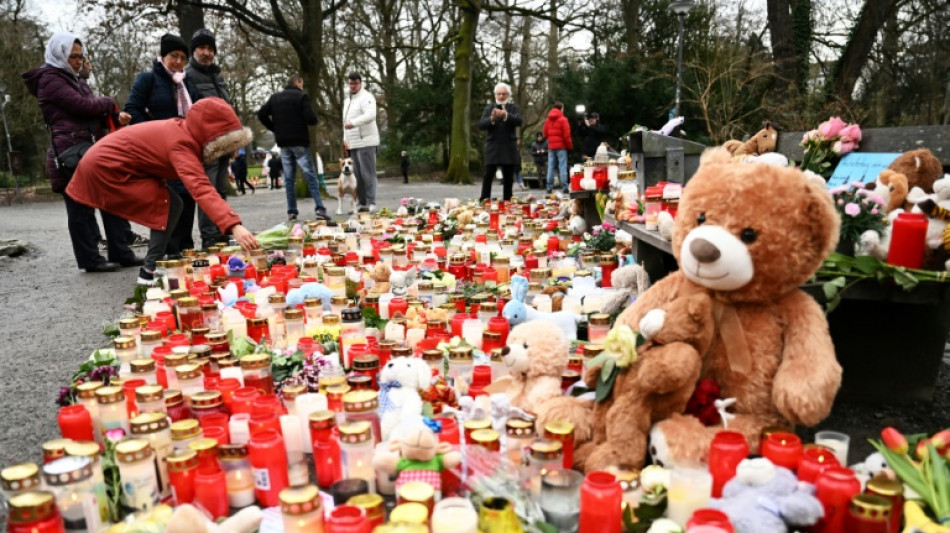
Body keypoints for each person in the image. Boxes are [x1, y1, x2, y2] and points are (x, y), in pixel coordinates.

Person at [66, 98, 260, 285]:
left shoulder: (182, 132)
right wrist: (234, 225)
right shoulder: (181, 144)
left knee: (172, 204)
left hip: (110, 164)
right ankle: (149, 272)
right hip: (107, 167)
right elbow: (201, 188)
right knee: (168, 205)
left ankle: (153, 265)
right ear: (210, 134)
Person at [22, 31, 139, 273]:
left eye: (80, 56)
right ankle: (90, 259)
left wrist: (114, 116)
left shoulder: (74, 79)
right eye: (73, 56)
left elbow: (91, 112)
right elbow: (82, 106)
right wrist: (108, 102)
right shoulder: (50, 80)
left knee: (110, 197)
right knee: (79, 208)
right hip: (69, 153)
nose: (77, 61)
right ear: (59, 54)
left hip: (88, 149)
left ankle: (121, 251)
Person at [125, 34, 199, 256]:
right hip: (159, 148)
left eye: (182, 58)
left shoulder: (187, 83)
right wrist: (152, 133)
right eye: (173, 56)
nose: (178, 62)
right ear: (163, 56)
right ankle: (167, 251)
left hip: (185, 147)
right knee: (168, 198)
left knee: (188, 195)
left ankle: (186, 248)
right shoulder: (147, 79)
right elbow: (132, 109)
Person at [257, 74, 329, 221]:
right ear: (298, 82)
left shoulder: (275, 98)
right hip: (299, 141)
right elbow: (311, 119)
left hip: (283, 142)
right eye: (301, 84)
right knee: (310, 176)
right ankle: (320, 209)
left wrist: (275, 128)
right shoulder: (301, 97)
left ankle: (292, 211)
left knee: (289, 178)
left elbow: (261, 113)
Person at [186, 28, 231, 248]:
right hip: (206, 144)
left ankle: (222, 229)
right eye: (202, 48)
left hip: (225, 143)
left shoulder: (218, 76)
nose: (207, 52)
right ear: (193, 51)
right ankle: (209, 236)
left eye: (210, 48)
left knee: (221, 190)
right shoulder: (188, 76)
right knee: (208, 191)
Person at [477, 82, 522, 202]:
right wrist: (492, 118)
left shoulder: (513, 108)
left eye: (504, 94)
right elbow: (481, 124)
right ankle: (484, 200)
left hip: (508, 147)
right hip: (493, 147)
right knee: (488, 176)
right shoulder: (489, 108)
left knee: (508, 178)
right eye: (499, 94)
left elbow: (519, 121)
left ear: (508, 95)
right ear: (495, 95)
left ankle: (507, 202)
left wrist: (505, 115)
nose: (501, 96)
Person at [342, 72, 380, 212]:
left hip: (366, 141)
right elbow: (344, 122)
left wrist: (354, 123)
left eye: (355, 83)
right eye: (350, 83)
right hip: (353, 143)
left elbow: (370, 115)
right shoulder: (348, 101)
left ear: (360, 83)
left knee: (368, 174)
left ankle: (371, 202)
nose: (353, 86)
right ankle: (361, 202)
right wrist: (345, 140)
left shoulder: (366, 97)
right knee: (357, 175)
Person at [542, 102, 572, 194]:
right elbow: (566, 135)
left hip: (551, 146)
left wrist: (551, 139)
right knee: (562, 167)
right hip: (561, 147)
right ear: (561, 109)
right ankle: (565, 187)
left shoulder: (548, 120)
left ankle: (549, 187)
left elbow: (545, 134)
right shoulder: (563, 119)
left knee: (551, 167)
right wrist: (569, 146)